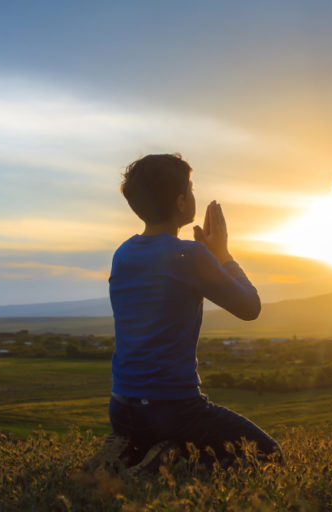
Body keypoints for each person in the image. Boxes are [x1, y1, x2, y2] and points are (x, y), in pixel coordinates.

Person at [85, 153, 281, 475]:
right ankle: (170, 462)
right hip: (172, 409)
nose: (193, 195)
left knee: (153, 436)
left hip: (121, 407)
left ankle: (134, 451)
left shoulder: (123, 254)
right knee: (269, 454)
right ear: (179, 204)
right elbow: (250, 307)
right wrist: (222, 255)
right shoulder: (188, 256)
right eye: (190, 190)